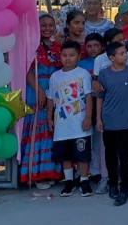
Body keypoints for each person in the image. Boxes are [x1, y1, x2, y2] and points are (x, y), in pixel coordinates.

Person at [19, 13, 63, 188]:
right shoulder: (30, 47)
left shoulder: (58, 48)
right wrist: (39, 91)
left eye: (50, 25)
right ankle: (36, 174)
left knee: (52, 130)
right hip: (36, 91)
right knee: (37, 130)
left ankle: (51, 171)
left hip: (54, 93)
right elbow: (26, 70)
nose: (47, 29)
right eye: (43, 25)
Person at [96, 42, 128, 206]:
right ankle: (112, 184)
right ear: (112, 58)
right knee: (110, 155)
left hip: (127, 121)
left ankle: (125, 189)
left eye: (125, 52)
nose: (125, 55)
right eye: (121, 53)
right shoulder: (104, 74)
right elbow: (100, 97)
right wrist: (99, 119)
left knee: (124, 155)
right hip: (109, 120)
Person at [47, 41, 94, 197]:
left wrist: (88, 117)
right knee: (65, 155)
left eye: (72, 55)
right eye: (64, 55)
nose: (68, 59)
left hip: (80, 124)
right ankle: (68, 181)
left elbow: (88, 96)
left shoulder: (83, 74)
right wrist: (49, 118)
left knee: (83, 155)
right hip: (62, 125)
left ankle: (84, 180)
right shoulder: (55, 76)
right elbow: (51, 99)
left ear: (79, 56)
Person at [80, 33, 108, 193]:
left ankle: (98, 171)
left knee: (100, 140)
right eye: (89, 46)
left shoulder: (105, 61)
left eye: (96, 45)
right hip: (84, 106)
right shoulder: (81, 63)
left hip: (101, 106)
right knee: (85, 139)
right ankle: (85, 171)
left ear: (102, 47)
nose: (92, 49)